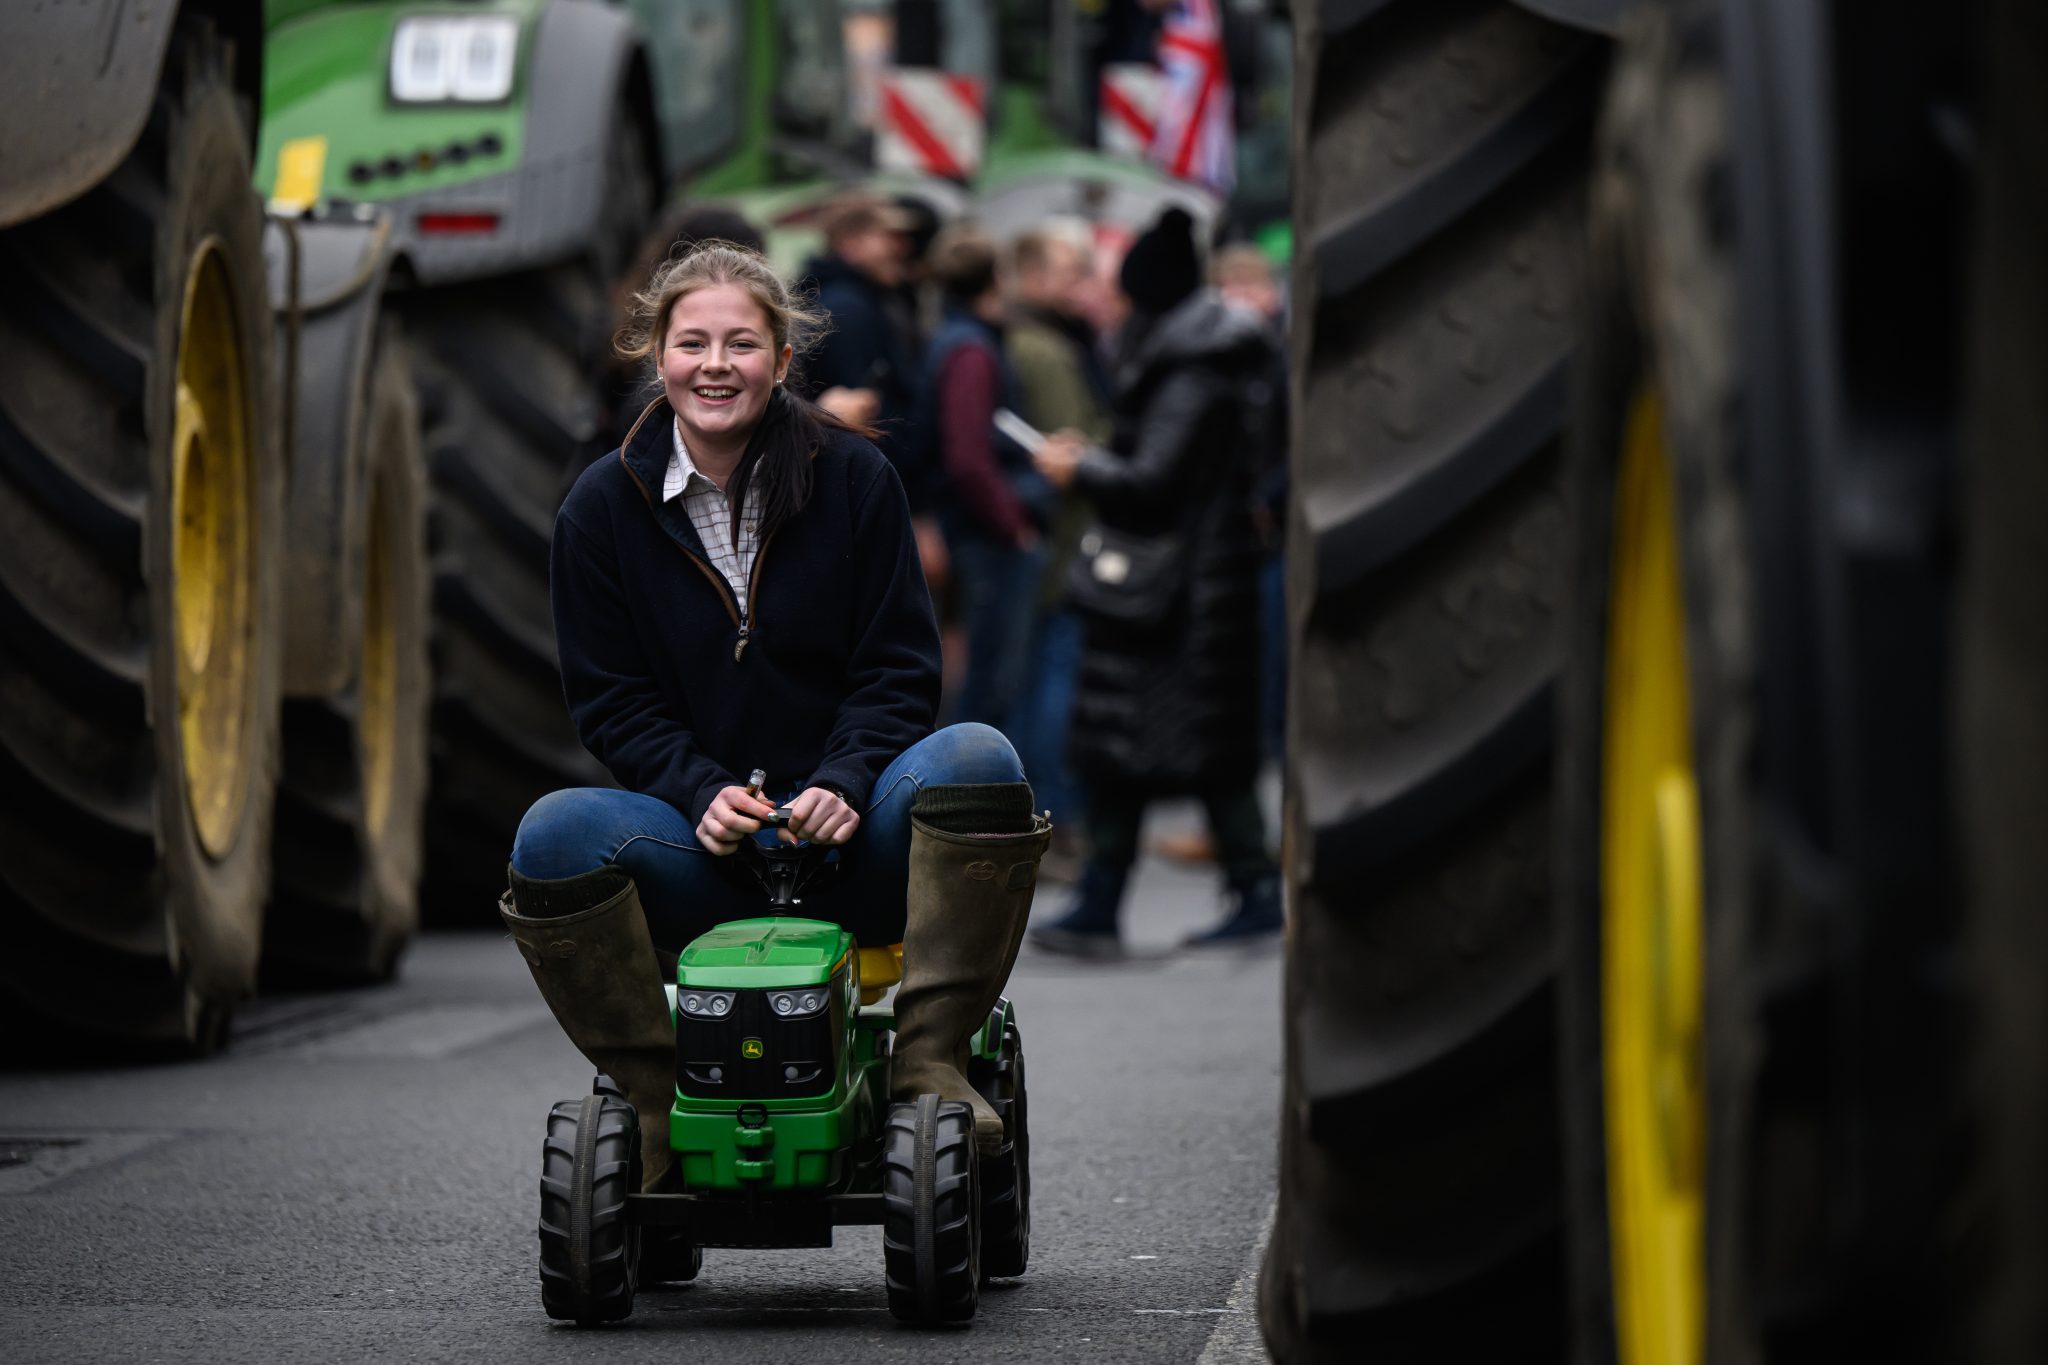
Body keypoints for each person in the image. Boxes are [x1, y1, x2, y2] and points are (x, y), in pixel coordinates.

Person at [500, 242, 1051, 1189]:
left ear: (784, 362)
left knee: (979, 757)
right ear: (657, 355)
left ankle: (928, 1062)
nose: (716, 364)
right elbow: (612, 701)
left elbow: (899, 668)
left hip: (854, 844)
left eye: (743, 344)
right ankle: (653, 1101)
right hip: (702, 856)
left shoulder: (855, 479)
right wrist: (700, 790)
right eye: (693, 342)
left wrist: (845, 779)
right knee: (552, 835)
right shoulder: (598, 508)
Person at [1026, 207, 1283, 954]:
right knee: (1182, 746)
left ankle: (1117, 901)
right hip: (1192, 585)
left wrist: (1081, 467)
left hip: (1173, 592)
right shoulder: (1210, 353)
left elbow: (1152, 478)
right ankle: (1235, 887)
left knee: (1152, 746)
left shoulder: (1191, 369)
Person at [1003, 220, 1116, 863]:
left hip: (1058, 543)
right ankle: (1054, 817)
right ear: (1037, 277)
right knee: (1051, 682)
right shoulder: (1044, 349)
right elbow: (1073, 439)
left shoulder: (1046, 341)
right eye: (1071, 273)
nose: (1082, 287)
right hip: (1064, 544)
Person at [920, 225, 1050, 732]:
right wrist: (1011, 522)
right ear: (997, 278)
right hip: (987, 538)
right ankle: (983, 803)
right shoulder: (971, 351)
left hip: (976, 529)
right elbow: (968, 456)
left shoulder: (952, 340)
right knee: (994, 686)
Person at [796, 194, 925, 492]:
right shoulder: (848, 307)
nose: (901, 248)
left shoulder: (862, 299)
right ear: (850, 245)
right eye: (887, 237)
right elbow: (867, 412)